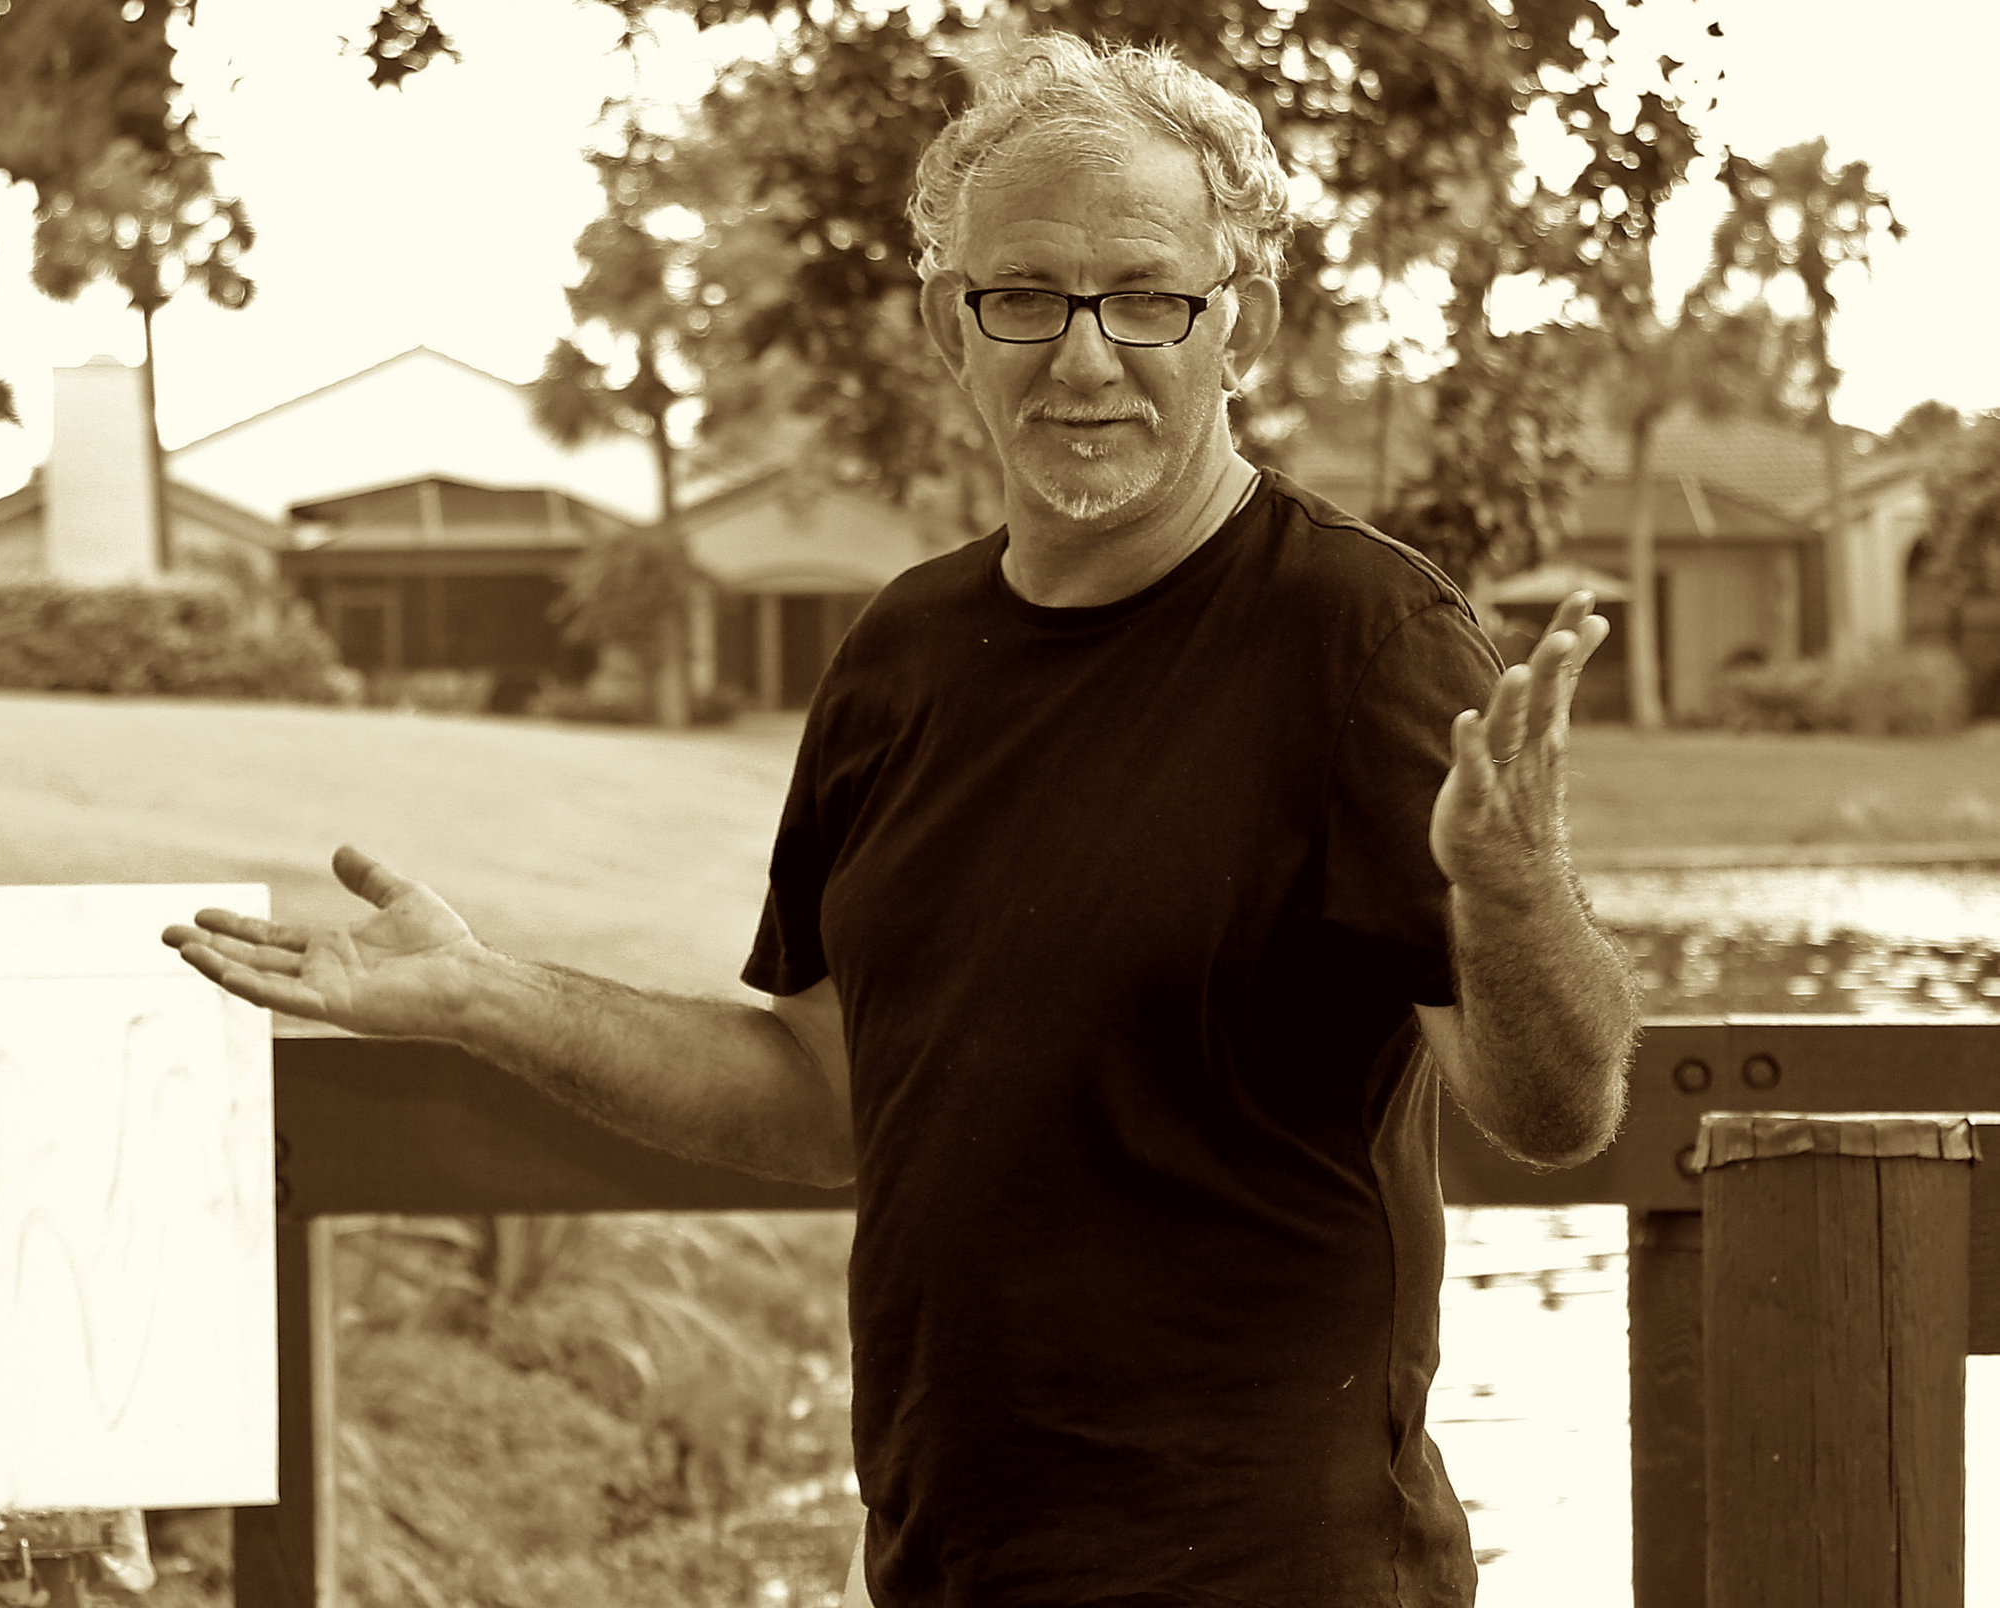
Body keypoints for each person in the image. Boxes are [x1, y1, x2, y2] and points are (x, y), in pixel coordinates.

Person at [164, 33, 1639, 1608]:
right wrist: (488, 999)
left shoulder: (1366, 645)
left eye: (1148, 297)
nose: (1084, 360)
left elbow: (1555, 1110)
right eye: (1024, 297)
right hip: (952, 1563)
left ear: (1244, 326)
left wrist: (1514, 894)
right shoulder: (899, 658)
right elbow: (827, 1092)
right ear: (952, 323)